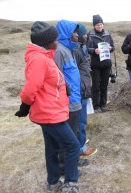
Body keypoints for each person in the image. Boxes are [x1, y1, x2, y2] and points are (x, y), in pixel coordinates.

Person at [15, 21, 81, 192]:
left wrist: (63, 86)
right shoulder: (39, 59)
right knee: (73, 146)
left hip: (51, 110)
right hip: (49, 112)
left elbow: (48, 80)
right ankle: (70, 184)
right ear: (45, 41)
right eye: (55, 38)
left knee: (52, 148)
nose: (58, 40)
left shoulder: (45, 56)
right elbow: (31, 88)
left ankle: (53, 182)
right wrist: (25, 105)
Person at [54, 20, 96, 176]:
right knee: (69, 136)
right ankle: (65, 168)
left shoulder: (69, 49)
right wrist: (66, 96)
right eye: (75, 32)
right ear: (67, 33)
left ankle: (74, 160)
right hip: (69, 100)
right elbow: (56, 77)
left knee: (75, 133)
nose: (77, 35)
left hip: (76, 99)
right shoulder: (59, 51)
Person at [73, 22, 98, 158]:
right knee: (80, 121)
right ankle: (81, 148)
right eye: (83, 34)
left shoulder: (81, 47)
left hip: (83, 88)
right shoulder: (75, 50)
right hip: (80, 90)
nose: (86, 35)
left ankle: (81, 140)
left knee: (81, 120)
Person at [87, 14, 115, 112]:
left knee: (104, 85)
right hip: (95, 65)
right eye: (98, 25)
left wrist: (111, 48)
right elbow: (87, 49)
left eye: (101, 24)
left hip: (106, 64)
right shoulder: (90, 35)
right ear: (94, 25)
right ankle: (96, 106)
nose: (100, 26)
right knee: (95, 85)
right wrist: (94, 50)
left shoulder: (107, 34)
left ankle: (103, 105)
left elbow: (113, 47)